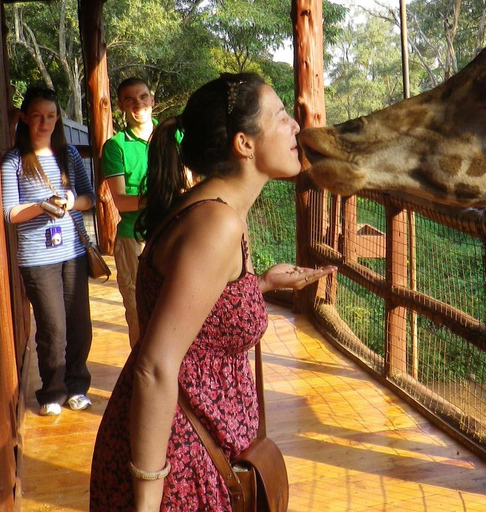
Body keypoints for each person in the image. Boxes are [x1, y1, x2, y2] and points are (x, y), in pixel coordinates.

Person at [90, 73, 336, 511]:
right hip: (182, 463)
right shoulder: (217, 224)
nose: (296, 126)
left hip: (196, 449)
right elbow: (155, 366)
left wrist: (259, 285)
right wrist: (148, 498)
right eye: (281, 116)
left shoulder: (212, 208)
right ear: (245, 144)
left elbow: (196, 310)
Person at [1, 87, 96, 416]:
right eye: (38, 116)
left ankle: (77, 386)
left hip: (72, 252)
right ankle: (52, 391)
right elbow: (10, 212)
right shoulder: (13, 160)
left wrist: (71, 201)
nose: (45, 122)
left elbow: (90, 198)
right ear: (25, 118)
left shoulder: (67, 155)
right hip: (37, 258)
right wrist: (41, 207)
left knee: (79, 324)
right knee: (53, 327)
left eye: (51, 116)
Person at [101, 77, 155, 347]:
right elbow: (121, 201)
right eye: (130, 99)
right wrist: (162, 195)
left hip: (172, 232)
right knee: (139, 312)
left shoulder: (173, 137)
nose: (138, 104)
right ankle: (138, 381)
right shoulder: (116, 146)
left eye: (143, 97)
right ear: (121, 105)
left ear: (152, 99)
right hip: (134, 237)